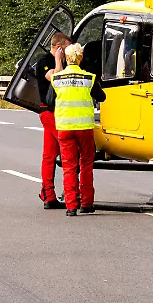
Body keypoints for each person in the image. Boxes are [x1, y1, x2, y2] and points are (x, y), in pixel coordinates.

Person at [49, 42, 103, 216]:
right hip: (85, 128)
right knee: (86, 165)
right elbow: (102, 96)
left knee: (69, 167)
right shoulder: (89, 78)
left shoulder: (57, 78)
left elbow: (50, 99)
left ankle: (71, 206)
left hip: (64, 128)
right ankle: (86, 203)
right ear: (81, 59)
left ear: (65, 58)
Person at [34, 32, 70, 209]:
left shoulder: (62, 62)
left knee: (49, 156)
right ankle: (72, 195)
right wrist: (58, 59)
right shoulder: (44, 61)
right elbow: (57, 79)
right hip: (49, 112)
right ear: (59, 49)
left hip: (58, 112)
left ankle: (48, 194)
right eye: (67, 48)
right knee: (69, 150)